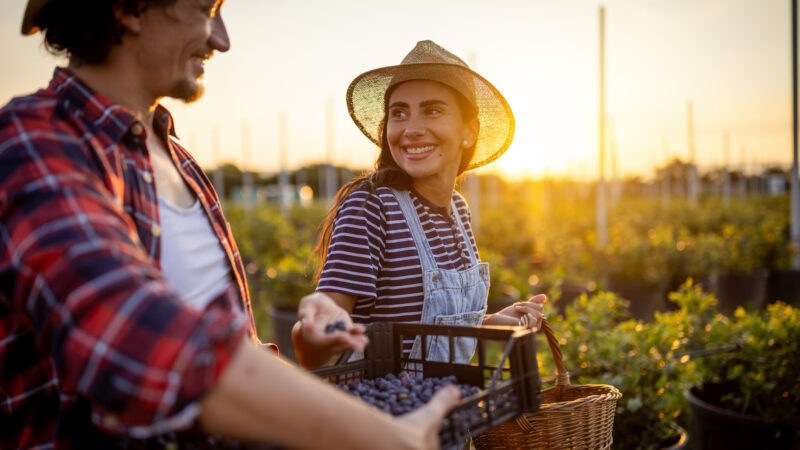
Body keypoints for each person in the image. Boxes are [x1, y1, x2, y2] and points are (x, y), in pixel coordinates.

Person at [0, 2, 459, 448]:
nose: (221, 40)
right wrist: (379, 435)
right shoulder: (33, 140)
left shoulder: (180, 162)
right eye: (206, 9)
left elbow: (239, 343)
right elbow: (131, 336)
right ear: (130, 8)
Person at [292, 40, 546, 370]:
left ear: (469, 132)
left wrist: (496, 321)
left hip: (446, 408)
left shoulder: (458, 210)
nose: (411, 129)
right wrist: (314, 330)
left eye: (432, 110)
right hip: (380, 415)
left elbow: (435, 332)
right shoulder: (371, 207)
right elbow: (315, 346)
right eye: (399, 113)